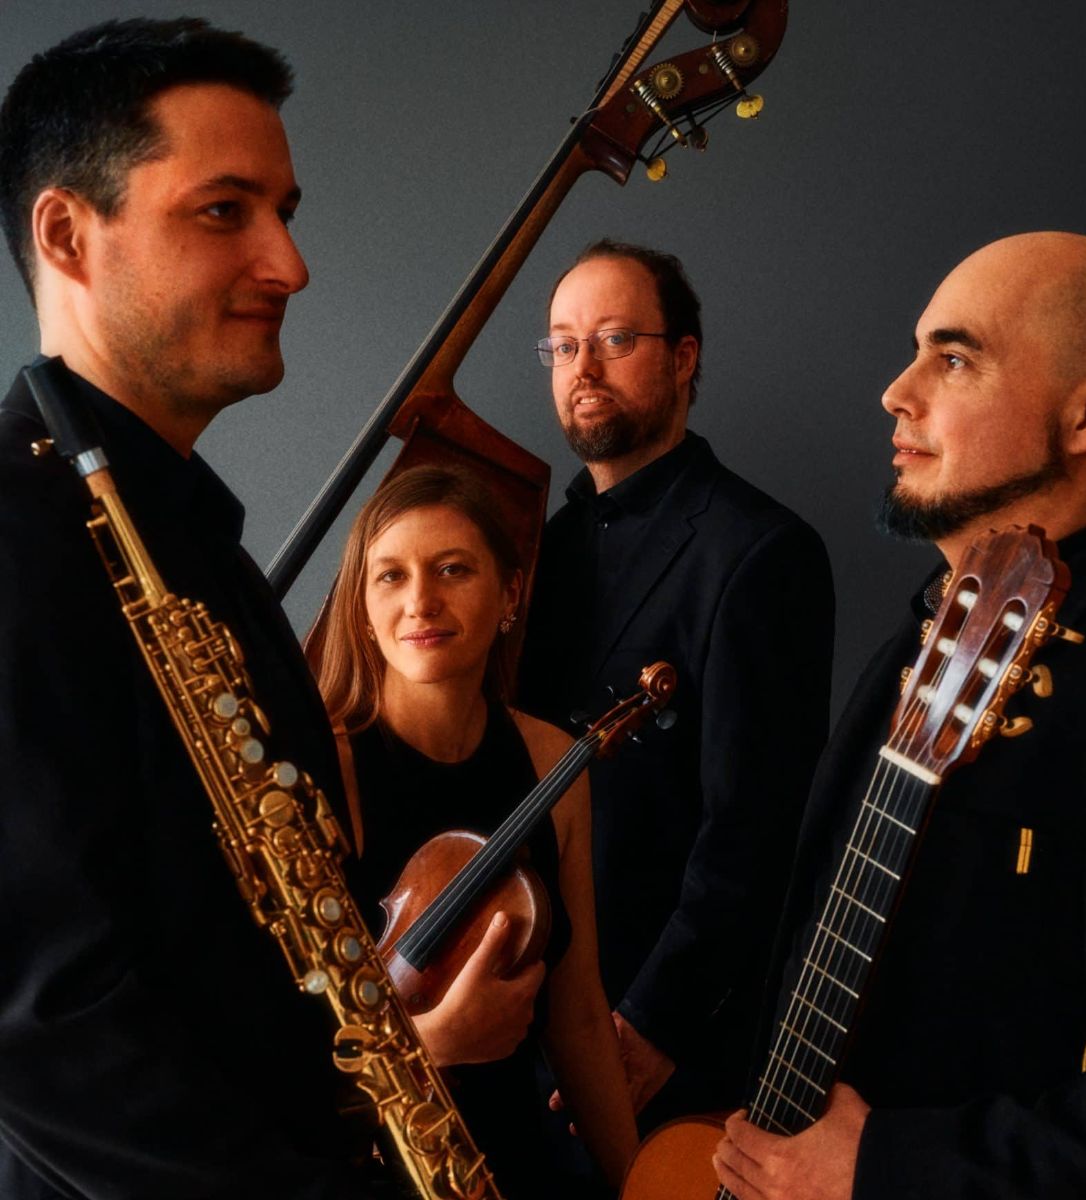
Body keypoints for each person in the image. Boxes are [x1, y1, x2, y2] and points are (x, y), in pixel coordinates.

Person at [716, 231, 1086, 1199]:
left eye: (955, 358)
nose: (895, 393)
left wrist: (885, 1167)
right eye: (916, 352)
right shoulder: (930, 632)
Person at [0, 19, 392, 1197]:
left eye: (285, 211)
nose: (290, 265)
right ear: (67, 234)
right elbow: (47, 1025)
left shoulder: (189, 538)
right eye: (226, 211)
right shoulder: (17, 533)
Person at [520, 240, 835, 1130]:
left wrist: (654, 1024)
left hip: (656, 1031)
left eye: (614, 339)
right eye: (563, 344)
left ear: (683, 357)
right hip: (529, 1007)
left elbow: (754, 828)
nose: (583, 368)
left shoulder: (760, 550)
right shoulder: (539, 548)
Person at [314, 464, 638, 1197]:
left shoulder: (553, 760)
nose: (420, 602)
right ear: (362, 607)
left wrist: (636, 1183)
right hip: (365, 1170)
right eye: (390, 577)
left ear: (510, 595)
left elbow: (579, 1016)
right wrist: (431, 1046)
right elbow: (267, 1053)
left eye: (452, 569)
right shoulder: (329, 772)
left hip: (513, 1165)